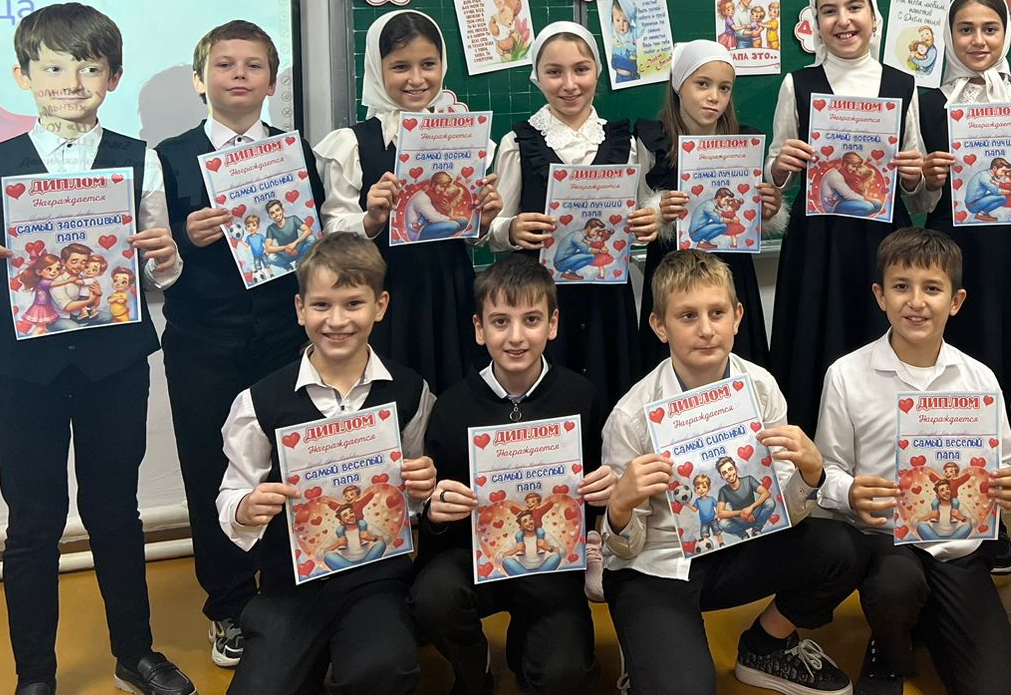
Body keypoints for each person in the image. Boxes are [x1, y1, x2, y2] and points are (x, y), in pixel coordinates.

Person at [0, 3, 195, 695]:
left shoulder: (139, 161)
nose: (71, 82)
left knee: (116, 511)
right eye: (53, 67)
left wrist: (166, 256)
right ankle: (35, 675)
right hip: (24, 369)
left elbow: (156, 277)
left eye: (88, 67)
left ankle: (134, 654)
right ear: (22, 76)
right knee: (33, 521)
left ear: (112, 77)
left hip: (114, 362)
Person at [601, 249, 860, 695]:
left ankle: (765, 648)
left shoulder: (760, 387)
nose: (706, 329)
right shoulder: (631, 416)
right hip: (657, 565)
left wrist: (810, 476)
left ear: (738, 317)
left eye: (717, 313)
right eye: (688, 316)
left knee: (843, 548)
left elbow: (783, 514)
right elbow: (622, 551)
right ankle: (646, 647)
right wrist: (620, 509)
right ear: (659, 326)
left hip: (738, 547)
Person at [156, 20, 325, 669]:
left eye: (253, 66)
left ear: (272, 83)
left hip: (282, 335)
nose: (238, 75)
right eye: (224, 65)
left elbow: (312, 238)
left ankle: (287, 590)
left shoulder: (293, 149)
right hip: (202, 338)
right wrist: (184, 233)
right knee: (210, 466)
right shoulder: (169, 157)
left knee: (288, 462)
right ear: (201, 80)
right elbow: (146, 250)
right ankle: (227, 604)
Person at [215, 233, 437, 694]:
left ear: (380, 306)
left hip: (377, 580)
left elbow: (416, 499)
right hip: (290, 586)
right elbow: (230, 496)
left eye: (353, 303)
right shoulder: (259, 402)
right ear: (300, 309)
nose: (337, 321)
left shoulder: (410, 391)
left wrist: (422, 488)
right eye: (321, 305)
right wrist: (246, 507)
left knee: (384, 668)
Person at [815, 228, 1011, 695]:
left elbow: (1003, 465)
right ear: (880, 296)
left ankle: (930, 620)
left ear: (956, 301)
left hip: (958, 548)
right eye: (901, 286)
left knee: (997, 690)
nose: (916, 302)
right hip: (883, 541)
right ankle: (889, 646)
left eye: (932, 288)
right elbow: (827, 469)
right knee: (895, 585)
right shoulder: (846, 375)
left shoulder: (979, 378)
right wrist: (849, 491)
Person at [412, 255, 614, 695]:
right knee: (432, 595)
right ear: (479, 328)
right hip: (472, 557)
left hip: (550, 563)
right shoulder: (451, 407)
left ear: (553, 324)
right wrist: (435, 512)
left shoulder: (582, 396)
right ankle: (475, 666)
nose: (517, 336)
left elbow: (596, 494)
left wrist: (606, 492)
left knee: (564, 676)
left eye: (532, 319)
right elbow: (434, 509)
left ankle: (529, 645)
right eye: (500, 321)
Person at [914, 0, 1011, 570]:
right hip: (951, 259)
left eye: (990, 28)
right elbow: (917, 198)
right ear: (950, 37)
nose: (978, 40)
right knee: (957, 379)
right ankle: (966, 513)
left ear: (1006, 35)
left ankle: (1001, 510)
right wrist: (927, 177)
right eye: (966, 29)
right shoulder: (927, 103)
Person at [769, 0, 927, 436]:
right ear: (815, 23)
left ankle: (886, 442)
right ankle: (815, 454)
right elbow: (775, 171)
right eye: (829, 11)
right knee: (815, 340)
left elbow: (916, 184)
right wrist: (781, 166)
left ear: (874, 18)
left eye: (854, 7)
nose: (843, 20)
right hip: (818, 240)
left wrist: (913, 175)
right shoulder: (797, 83)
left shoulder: (903, 84)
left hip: (884, 239)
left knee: (883, 336)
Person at [315, 10, 499, 393]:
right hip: (384, 296)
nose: (417, 79)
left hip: (450, 290)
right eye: (400, 67)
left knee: (454, 393)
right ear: (376, 68)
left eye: (428, 64)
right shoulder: (352, 144)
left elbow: (468, 234)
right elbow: (330, 231)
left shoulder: (464, 138)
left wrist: (482, 219)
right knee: (392, 396)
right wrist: (370, 220)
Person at [486, 21, 660, 408]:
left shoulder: (626, 142)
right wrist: (511, 229)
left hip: (607, 304)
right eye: (554, 72)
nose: (569, 84)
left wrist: (649, 221)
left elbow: (644, 210)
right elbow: (490, 229)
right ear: (537, 76)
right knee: (548, 401)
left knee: (608, 394)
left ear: (597, 71)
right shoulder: (518, 142)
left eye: (581, 69)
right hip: (539, 305)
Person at [642, 43, 782, 370]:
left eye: (724, 88)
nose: (714, 97)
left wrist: (768, 210)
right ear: (679, 86)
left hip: (732, 269)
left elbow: (751, 209)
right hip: (673, 272)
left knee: (737, 362)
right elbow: (634, 216)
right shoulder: (653, 141)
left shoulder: (744, 144)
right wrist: (659, 212)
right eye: (702, 84)